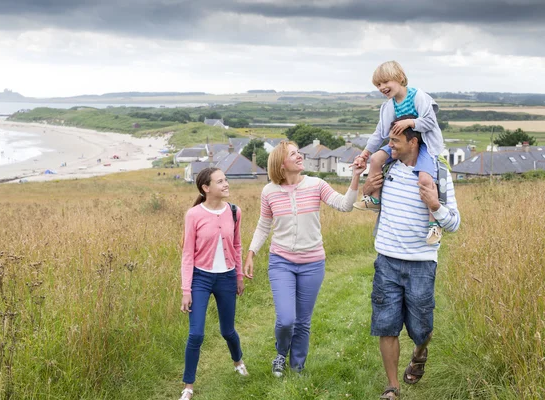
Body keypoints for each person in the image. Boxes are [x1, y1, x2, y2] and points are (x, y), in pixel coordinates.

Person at [244, 141, 366, 377]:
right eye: (293, 154)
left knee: (302, 322)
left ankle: (297, 366)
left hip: (313, 264)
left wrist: (355, 177)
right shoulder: (268, 192)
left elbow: (345, 206)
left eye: (299, 152)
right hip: (281, 262)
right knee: (286, 319)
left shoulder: (316, 185)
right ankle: (281, 353)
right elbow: (263, 225)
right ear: (281, 164)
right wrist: (251, 253)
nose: (300, 156)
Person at [362, 118, 460, 399]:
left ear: (413, 142)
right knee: (386, 324)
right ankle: (392, 386)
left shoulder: (438, 173)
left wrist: (434, 205)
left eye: (394, 141)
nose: (388, 145)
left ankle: (420, 351)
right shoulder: (389, 167)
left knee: (422, 327)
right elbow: (371, 206)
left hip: (422, 263)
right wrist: (368, 192)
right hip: (387, 261)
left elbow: (453, 223)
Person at [352, 60, 445, 245]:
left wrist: (411, 123)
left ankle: (434, 224)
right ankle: (375, 199)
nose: (382, 87)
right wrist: (365, 153)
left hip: (424, 143)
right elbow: (380, 133)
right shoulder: (388, 106)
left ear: (400, 78)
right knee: (377, 158)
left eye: (386, 82)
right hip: (401, 143)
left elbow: (430, 122)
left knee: (425, 179)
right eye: (378, 85)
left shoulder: (418, 96)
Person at [179, 167, 248, 400]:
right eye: (220, 181)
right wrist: (185, 290)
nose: (226, 184)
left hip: (227, 277)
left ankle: (238, 361)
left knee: (227, 330)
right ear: (206, 188)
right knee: (196, 334)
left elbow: (237, 246)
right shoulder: (194, 215)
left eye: (226, 179)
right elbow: (187, 254)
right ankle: (188, 386)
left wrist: (238, 276)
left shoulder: (235, 212)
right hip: (200, 278)